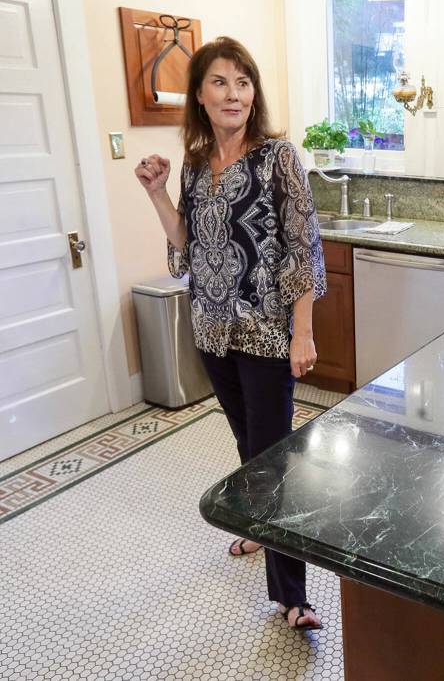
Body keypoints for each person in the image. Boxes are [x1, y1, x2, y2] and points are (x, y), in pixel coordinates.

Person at [134, 36, 327, 630]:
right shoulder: (194, 163)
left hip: (267, 331)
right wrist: (155, 193)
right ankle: (256, 528)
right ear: (199, 94)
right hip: (214, 330)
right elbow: (186, 247)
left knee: (274, 460)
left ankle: (292, 595)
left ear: (254, 93)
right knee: (248, 443)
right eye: (220, 81)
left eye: (243, 82)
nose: (233, 93)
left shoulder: (278, 158)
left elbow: (303, 250)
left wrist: (303, 332)